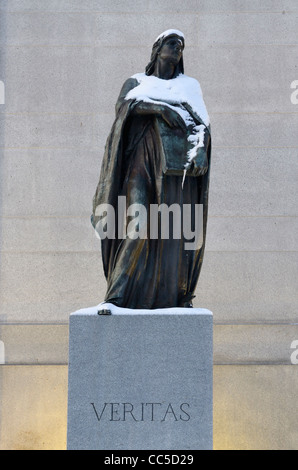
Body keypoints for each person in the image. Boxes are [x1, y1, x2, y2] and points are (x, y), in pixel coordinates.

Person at [92, 29, 211, 309]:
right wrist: (159, 109)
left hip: (174, 170)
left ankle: (175, 295)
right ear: (157, 49)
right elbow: (123, 107)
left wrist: (202, 150)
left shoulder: (189, 86)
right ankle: (116, 296)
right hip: (140, 163)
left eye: (180, 45)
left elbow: (202, 125)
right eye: (171, 43)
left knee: (174, 229)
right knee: (140, 224)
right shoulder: (137, 82)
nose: (177, 48)